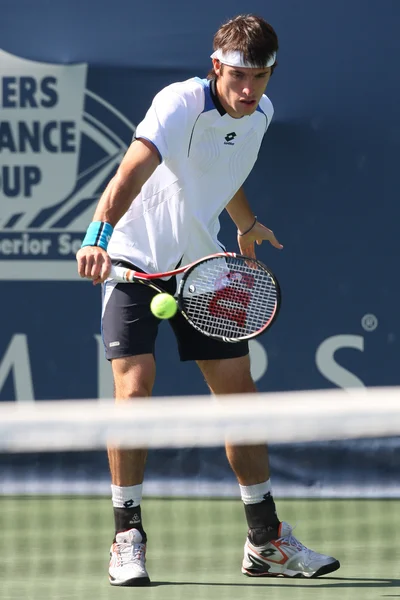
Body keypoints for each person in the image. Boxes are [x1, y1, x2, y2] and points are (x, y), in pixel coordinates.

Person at [76, 13, 340, 587]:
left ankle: (265, 540)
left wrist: (245, 224)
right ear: (216, 67)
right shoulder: (178, 104)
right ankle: (127, 536)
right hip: (135, 262)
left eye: (261, 77)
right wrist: (97, 236)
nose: (249, 90)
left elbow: (223, 173)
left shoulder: (260, 115)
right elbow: (130, 173)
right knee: (135, 387)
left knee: (239, 397)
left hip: (202, 266)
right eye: (239, 76)